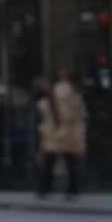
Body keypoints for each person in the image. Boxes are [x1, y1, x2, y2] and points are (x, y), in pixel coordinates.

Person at [36, 69, 86, 200]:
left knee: (69, 163)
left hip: (66, 135)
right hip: (54, 135)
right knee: (50, 163)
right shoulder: (49, 100)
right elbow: (46, 117)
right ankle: (45, 189)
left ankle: (72, 190)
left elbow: (74, 117)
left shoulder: (71, 98)